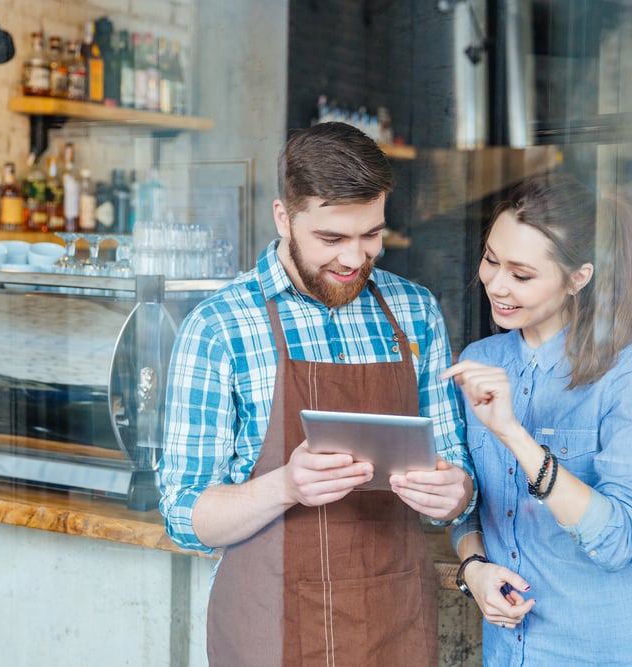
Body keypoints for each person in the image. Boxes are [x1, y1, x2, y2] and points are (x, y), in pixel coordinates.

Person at [159, 121, 475, 666]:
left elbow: (457, 474)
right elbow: (186, 515)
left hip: (392, 621)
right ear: (284, 217)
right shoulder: (218, 328)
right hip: (269, 629)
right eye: (331, 239)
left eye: (371, 235)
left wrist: (455, 495)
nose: (354, 259)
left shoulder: (415, 312)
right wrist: (286, 485)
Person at [442, 172, 632, 666]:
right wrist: (473, 567)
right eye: (490, 259)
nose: (496, 284)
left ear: (579, 278)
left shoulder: (625, 371)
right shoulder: (481, 358)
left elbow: (621, 542)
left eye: (522, 274)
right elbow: (470, 503)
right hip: (511, 652)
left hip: (609, 651)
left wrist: (513, 434)